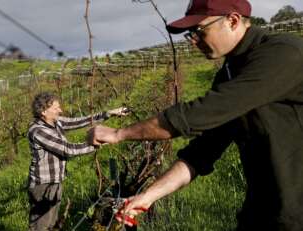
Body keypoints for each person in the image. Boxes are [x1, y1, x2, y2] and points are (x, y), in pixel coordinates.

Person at [87, 0, 303, 230]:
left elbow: (199, 114)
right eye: (190, 34)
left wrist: (120, 133)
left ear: (232, 20)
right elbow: (202, 152)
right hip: (264, 213)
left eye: (200, 31)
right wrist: (148, 197)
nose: (194, 41)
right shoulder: (231, 73)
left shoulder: (284, 53)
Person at [27, 91, 128, 231]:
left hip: (55, 180)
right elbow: (67, 150)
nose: (60, 110)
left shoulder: (55, 122)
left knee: (52, 224)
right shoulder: (38, 131)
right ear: (44, 111)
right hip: (43, 184)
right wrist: (96, 144)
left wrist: (108, 113)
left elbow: (80, 121)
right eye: (56, 108)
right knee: (41, 226)